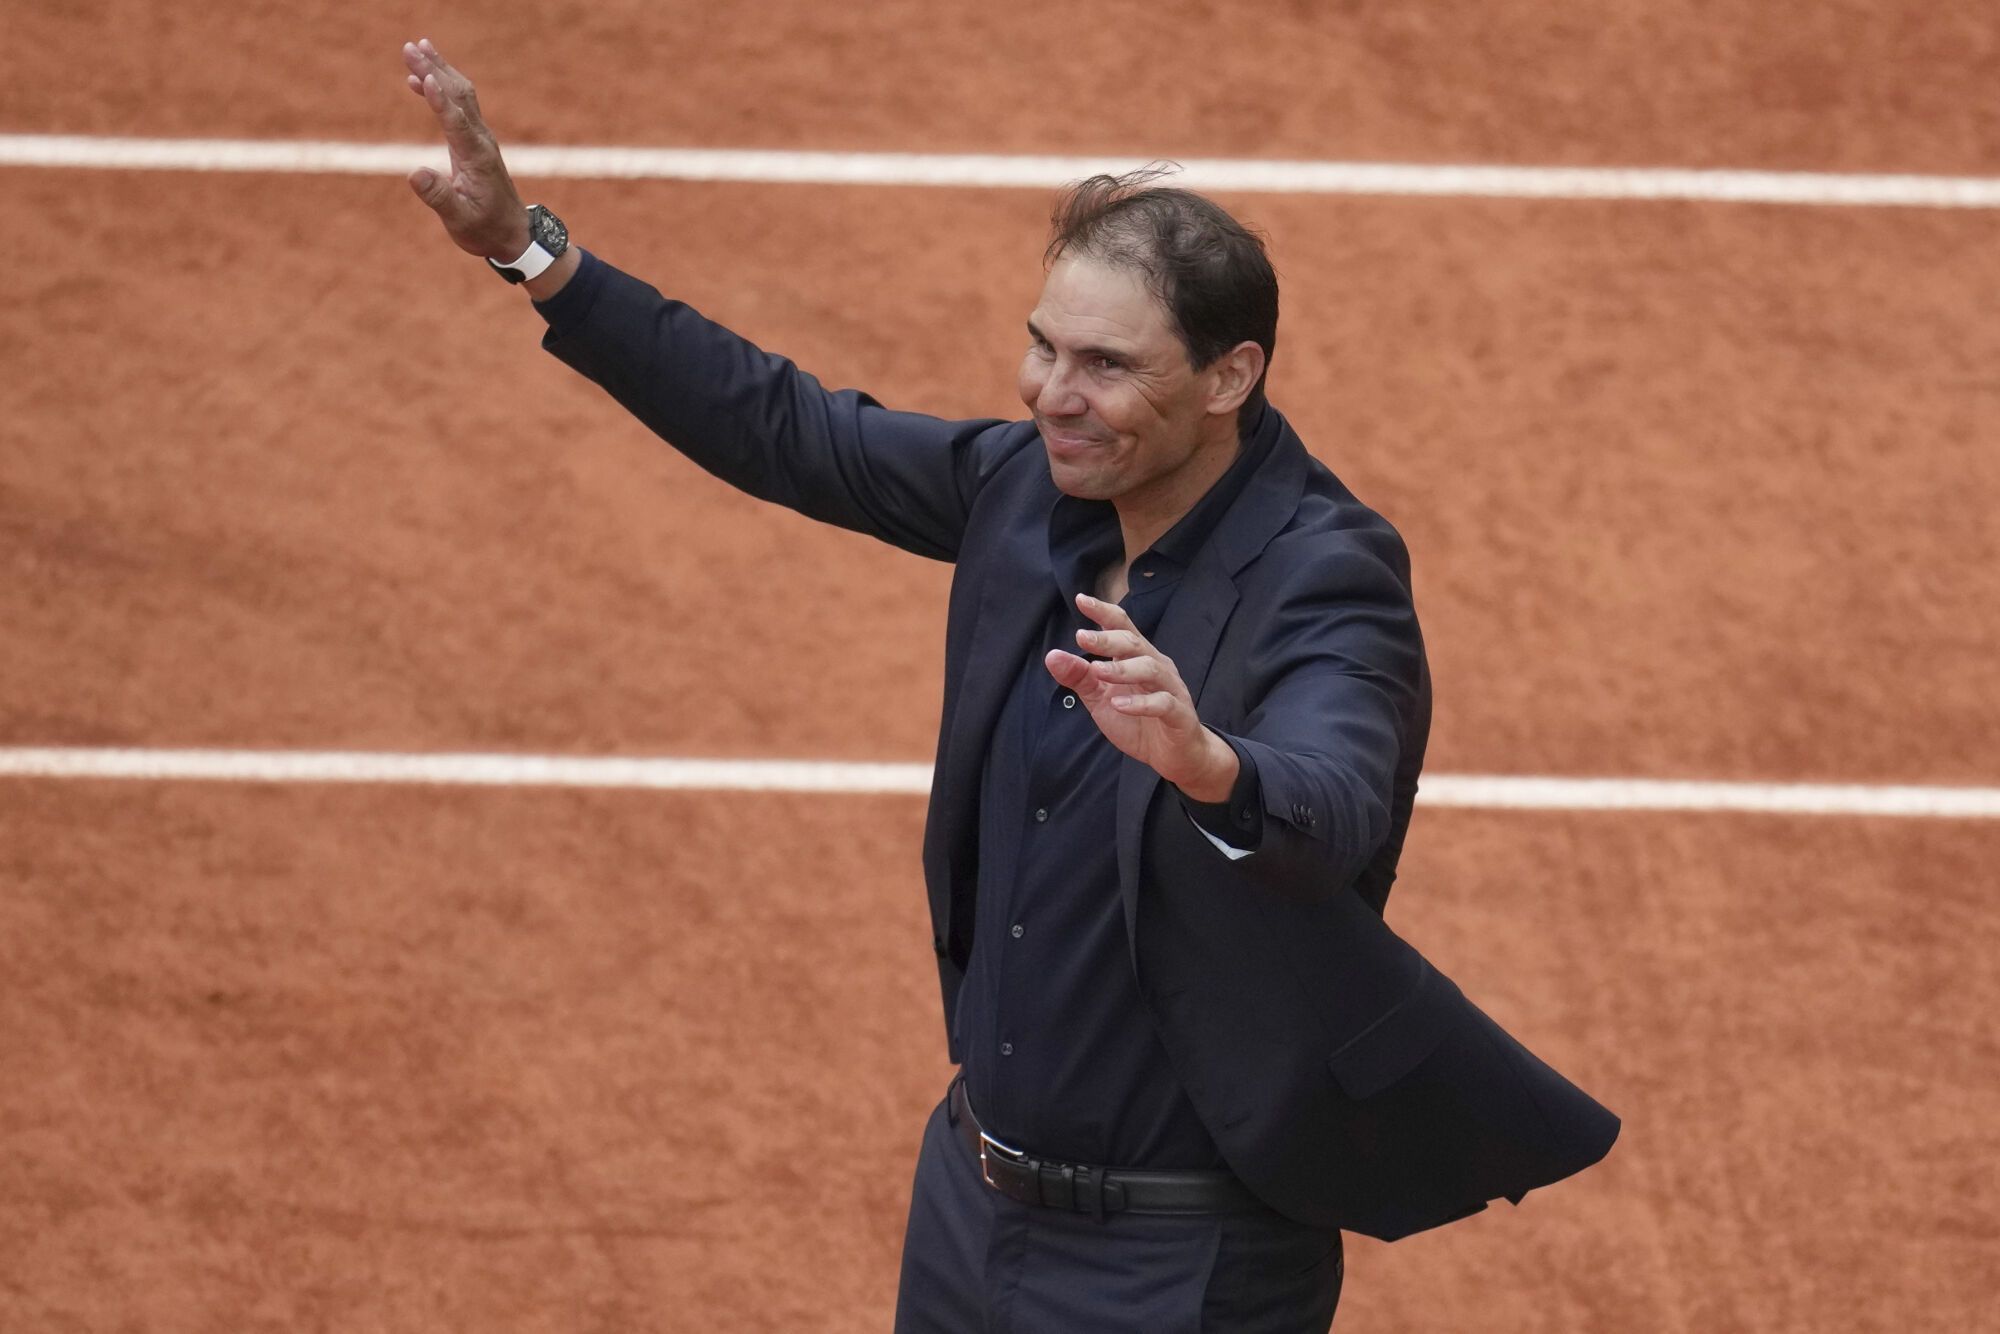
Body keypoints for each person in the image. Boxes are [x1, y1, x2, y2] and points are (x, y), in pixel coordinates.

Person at [401, 38, 1618, 1331]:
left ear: (1231, 377)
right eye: (1044, 347)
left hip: (1182, 1264)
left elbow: (1335, 795)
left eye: (1105, 365)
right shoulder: (1029, 491)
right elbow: (788, 427)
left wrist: (1212, 763)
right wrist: (532, 252)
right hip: (973, 1205)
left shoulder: (1325, 573)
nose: (1051, 394)